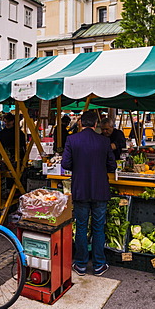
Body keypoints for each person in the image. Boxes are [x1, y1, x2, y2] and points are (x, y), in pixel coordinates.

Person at [61, 110, 116, 277]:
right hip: (100, 190)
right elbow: (112, 166)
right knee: (99, 228)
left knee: (82, 228)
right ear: (95, 125)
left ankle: (81, 265)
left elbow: (65, 164)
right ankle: (99, 265)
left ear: (80, 123)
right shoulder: (104, 141)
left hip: (80, 190)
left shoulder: (72, 139)